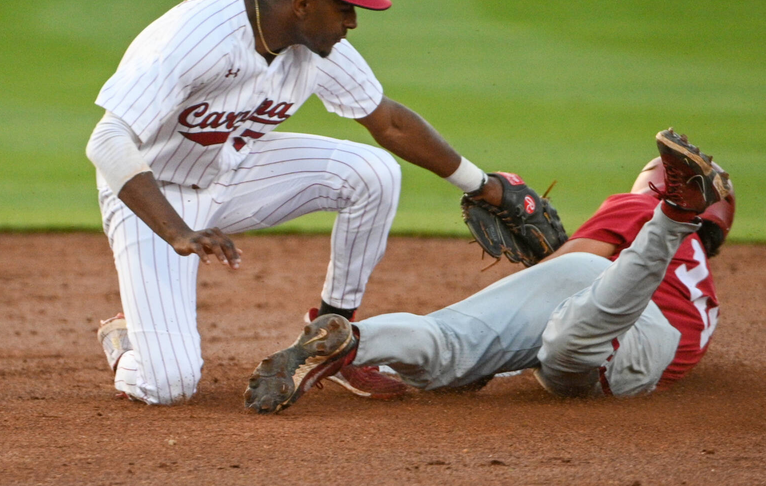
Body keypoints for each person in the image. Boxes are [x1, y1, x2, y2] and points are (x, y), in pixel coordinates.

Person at [85, 0, 515, 405]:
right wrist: (176, 230)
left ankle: (333, 341)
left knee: (374, 171)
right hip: (155, 196)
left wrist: (483, 186)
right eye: (345, 8)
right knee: (167, 386)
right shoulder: (195, 38)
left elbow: (389, 122)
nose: (353, 21)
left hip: (235, 171)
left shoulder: (313, 45)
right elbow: (107, 141)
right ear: (303, 4)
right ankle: (127, 343)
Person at [244, 129, 734, 412]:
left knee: (457, 338)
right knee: (562, 339)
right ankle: (352, 342)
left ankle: (359, 340)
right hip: (625, 349)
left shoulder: (633, 206)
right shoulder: (704, 297)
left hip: (619, 323)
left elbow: (570, 266)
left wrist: (537, 272)